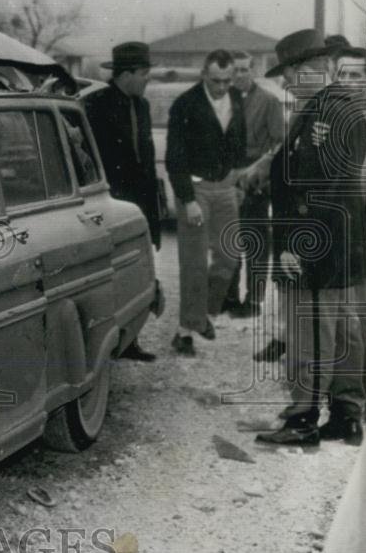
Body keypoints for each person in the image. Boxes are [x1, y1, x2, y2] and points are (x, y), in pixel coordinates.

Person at [255, 29, 366, 446]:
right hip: (343, 243)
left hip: (317, 244)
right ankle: (345, 414)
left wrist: (293, 247)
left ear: (309, 69)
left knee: (311, 330)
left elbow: (321, 192)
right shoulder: (334, 106)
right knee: (344, 331)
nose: (284, 81)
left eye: (287, 72)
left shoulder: (327, 112)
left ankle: (302, 419)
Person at [165, 49, 248, 356]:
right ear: (204, 75)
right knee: (195, 262)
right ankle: (185, 331)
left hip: (226, 186)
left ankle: (204, 314)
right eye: (216, 81)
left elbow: (240, 142)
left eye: (228, 80)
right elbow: (175, 158)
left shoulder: (237, 99)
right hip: (196, 189)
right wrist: (187, 200)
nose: (223, 87)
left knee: (229, 255)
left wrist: (236, 181)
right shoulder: (185, 104)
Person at [85, 41, 161, 362]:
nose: (147, 80)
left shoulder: (142, 107)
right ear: (126, 74)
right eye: (144, 74)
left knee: (139, 269)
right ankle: (108, 340)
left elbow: (147, 154)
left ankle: (131, 339)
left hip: (141, 200)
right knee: (113, 273)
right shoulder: (96, 106)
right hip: (113, 200)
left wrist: (157, 201)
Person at [222, 50, 284, 317]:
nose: (239, 75)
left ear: (252, 71)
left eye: (244, 69)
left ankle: (254, 300)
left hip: (255, 180)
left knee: (255, 241)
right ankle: (229, 296)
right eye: (234, 70)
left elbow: (279, 142)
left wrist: (259, 171)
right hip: (226, 178)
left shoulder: (268, 101)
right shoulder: (222, 100)